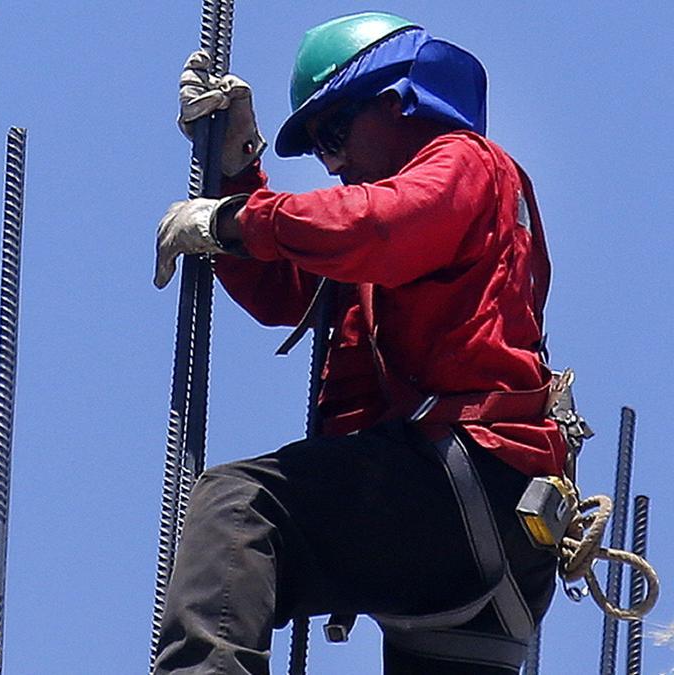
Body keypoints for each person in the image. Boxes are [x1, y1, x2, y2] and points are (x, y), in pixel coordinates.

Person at [152, 12, 572, 674]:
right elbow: (287, 288)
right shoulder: (398, 234)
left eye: (336, 132)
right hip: (481, 549)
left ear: (401, 98)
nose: (333, 161)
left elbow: (373, 227)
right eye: (321, 147)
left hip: (464, 487)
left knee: (240, 506)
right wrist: (236, 171)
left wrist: (230, 221)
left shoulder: (464, 166)